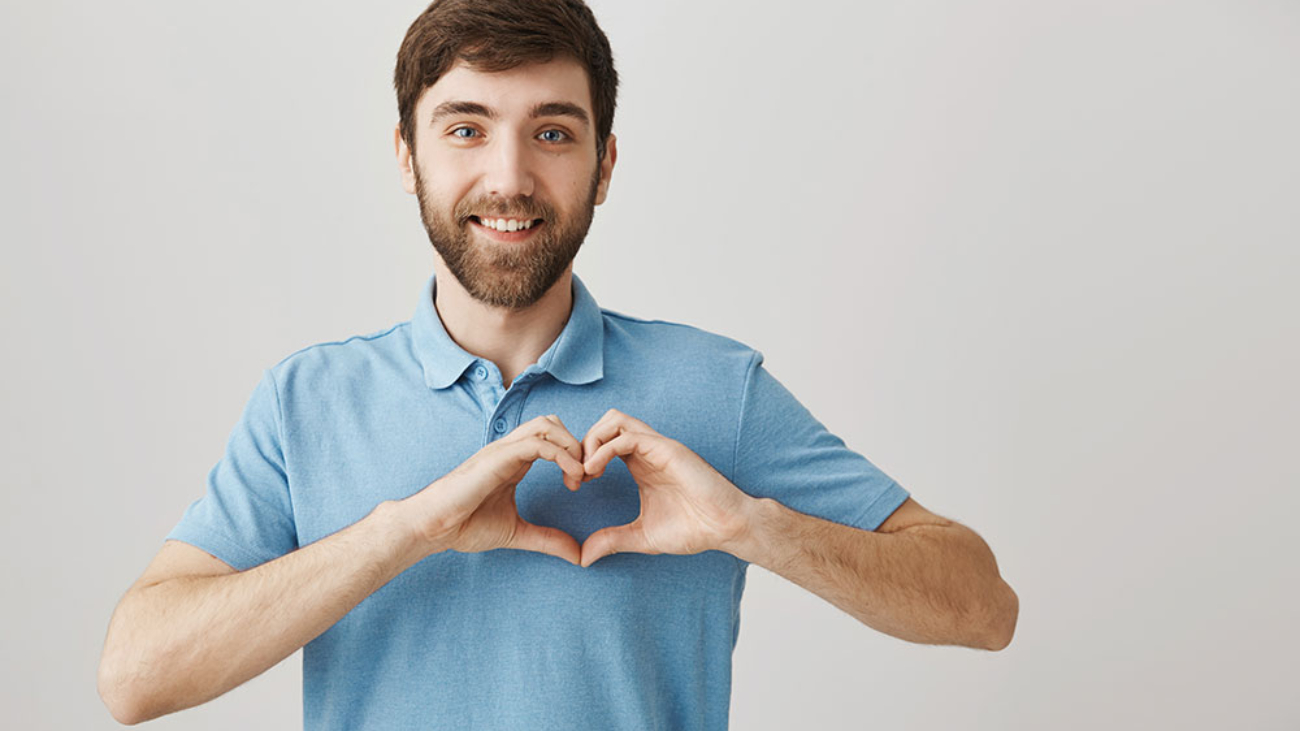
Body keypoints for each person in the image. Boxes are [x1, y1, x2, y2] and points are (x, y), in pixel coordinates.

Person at [97, 0, 1018, 727]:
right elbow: (134, 677)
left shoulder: (717, 388)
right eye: (465, 129)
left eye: (553, 131)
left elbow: (983, 605)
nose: (508, 177)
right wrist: (405, 531)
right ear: (406, 157)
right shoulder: (307, 402)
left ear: (604, 164)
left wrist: (751, 525)